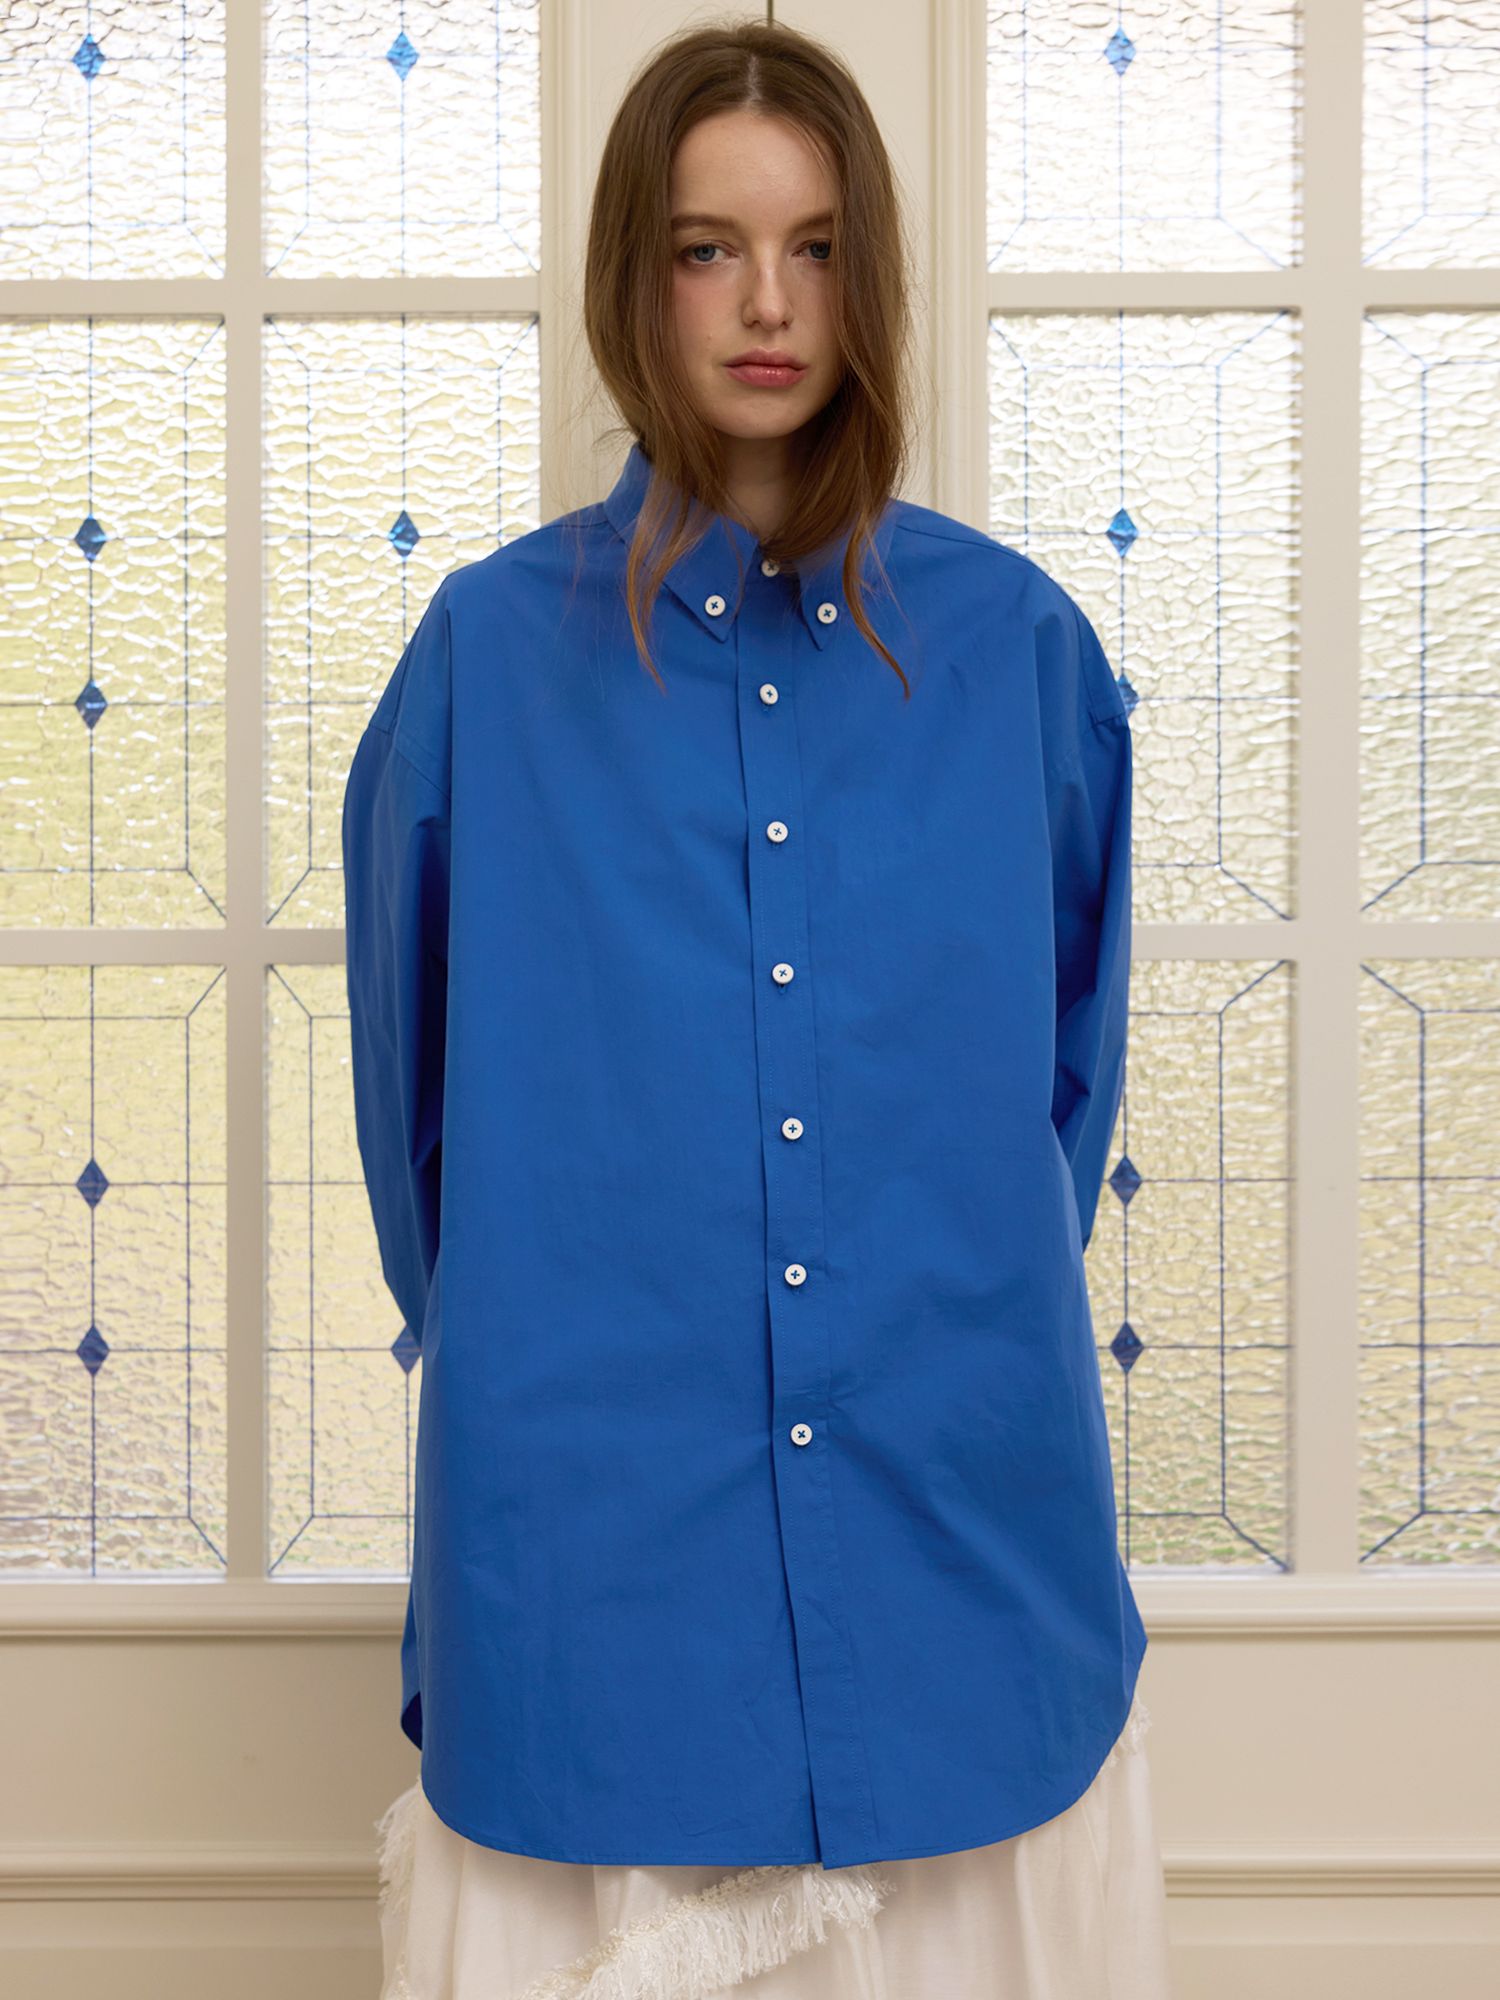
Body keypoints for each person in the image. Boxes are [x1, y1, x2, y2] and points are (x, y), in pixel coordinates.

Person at [342, 19, 1172, 1999]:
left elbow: (1064, 1092)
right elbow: (411, 1118)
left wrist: (939, 1299)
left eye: (814, 248)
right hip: (593, 1553)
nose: (769, 304)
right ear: (634, 281)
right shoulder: (487, 658)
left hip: (960, 1535)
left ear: (871, 277)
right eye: (708, 249)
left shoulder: (1018, 652)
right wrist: (565, 1331)